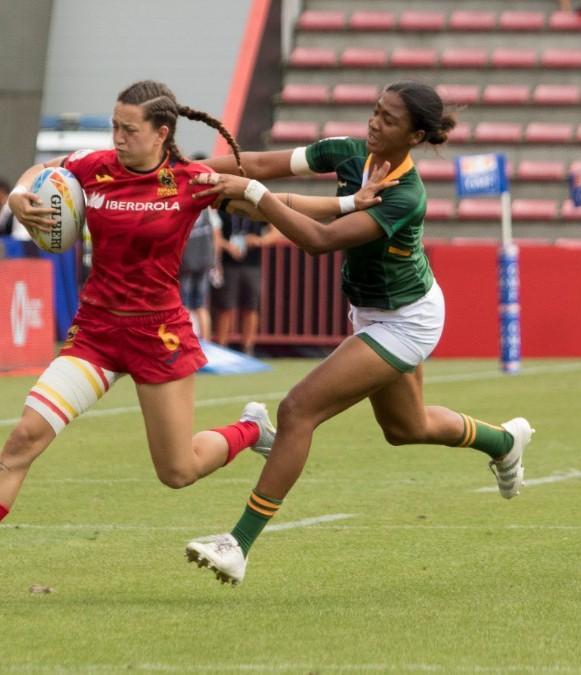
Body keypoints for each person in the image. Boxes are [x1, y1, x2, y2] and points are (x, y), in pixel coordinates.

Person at [0, 79, 390, 584]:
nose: (116, 137)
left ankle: (251, 431)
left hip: (159, 337)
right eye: (114, 126)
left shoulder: (191, 180)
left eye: (127, 129)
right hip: (95, 334)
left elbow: (271, 199)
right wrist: (23, 196)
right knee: (25, 436)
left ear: (161, 133)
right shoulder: (94, 169)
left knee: (177, 472)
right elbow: (43, 171)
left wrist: (350, 204)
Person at [182, 81, 534, 586]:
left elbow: (320, 241)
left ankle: (238, 544)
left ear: (414, 135)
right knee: (404, 429)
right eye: (375, 112)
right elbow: (255, 164)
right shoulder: (346, 153)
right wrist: (177, 175)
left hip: (406, 320)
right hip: (371, 311)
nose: (374, 123)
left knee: (298, 410)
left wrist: (256, 198)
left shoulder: (406, 196)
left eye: (388, 120)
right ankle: (503, 441)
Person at [212, 212, 284, 356]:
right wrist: (227, 246)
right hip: (228, 264)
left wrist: (259, 240)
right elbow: (214, 235)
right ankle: (221, 347)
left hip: (252, 265)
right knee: (225, 306)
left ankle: (248, 347)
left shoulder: (256, 209)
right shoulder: (223, 209)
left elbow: (277, 233)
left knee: (251, 306)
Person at [179, 169, 221, 341]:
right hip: (204, 261)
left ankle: (186, 341)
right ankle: (207, 343)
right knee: (201, 304)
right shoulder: (207, 206)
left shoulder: (180, 205)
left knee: (185, 304)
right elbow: (216, 234)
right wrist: (215, 262)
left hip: (186, 262)